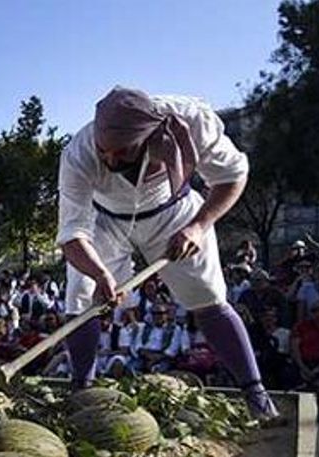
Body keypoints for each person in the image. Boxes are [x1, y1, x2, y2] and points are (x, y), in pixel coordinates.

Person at [56, 86, 277, 419]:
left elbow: (233, 176)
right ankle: (81, 390)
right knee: (82, 295)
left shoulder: (193, 121)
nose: (111, 160)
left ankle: (256, 395)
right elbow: (72, 234)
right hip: (105, 221)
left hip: (174, 214)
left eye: (122, 152)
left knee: (207, 296)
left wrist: (199, 226)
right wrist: (99, 274)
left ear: (149, 137)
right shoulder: (78, 153)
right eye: (105, 152)